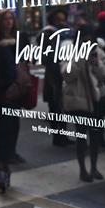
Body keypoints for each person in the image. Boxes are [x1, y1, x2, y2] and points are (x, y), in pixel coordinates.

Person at [62, 10, 105, 182]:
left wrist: (96, 64)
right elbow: (67, 74)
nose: (87, 42)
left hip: (96, 100)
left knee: (95, 136)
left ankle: (94, 167)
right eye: (84, 39)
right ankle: (83, 169)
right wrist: (81, 59)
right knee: (81, 136)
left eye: (90, 39)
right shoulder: (70, 51)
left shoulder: (98, 52)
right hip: (80, 100)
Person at [0, 10, 26, 182]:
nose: (9, 22)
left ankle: (2, 177)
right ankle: (1, 176)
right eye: (6, 19)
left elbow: (10, 73)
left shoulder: (4, 47)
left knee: (4, 136)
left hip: (5, 96)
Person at [42, 8, 72, 147]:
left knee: (61, 106)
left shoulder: (66, 33)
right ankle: (58, 137)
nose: (61, 22)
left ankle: (63, 135)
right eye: (58, 20)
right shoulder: (48, 33)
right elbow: (45, 57)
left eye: (63, 19)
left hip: (63, 73)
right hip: (53, 76)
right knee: (55, 106)